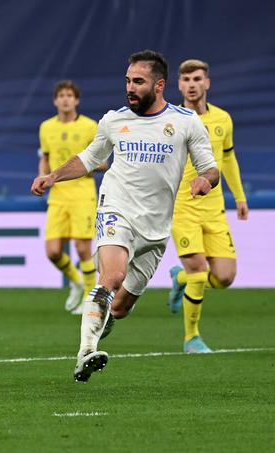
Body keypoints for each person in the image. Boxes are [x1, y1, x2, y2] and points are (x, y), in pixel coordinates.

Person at [31, 50, 219, 382]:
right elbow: (90, 158)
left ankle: (101, 319)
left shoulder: (186, 124)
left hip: (156, 229)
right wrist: (53, 176)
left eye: (138, 82)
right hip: (116, 209)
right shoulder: (114, 120)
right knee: (111, 277)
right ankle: (85, 353)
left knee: (120, 306)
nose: (130, 88)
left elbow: (210, 168)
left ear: (159, 85)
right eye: (128, 80)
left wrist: (205, 180)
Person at [167, 59, 249, 353]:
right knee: (199, 272)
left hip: (214, 208)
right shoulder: (170, 120)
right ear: (179, 85)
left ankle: (178, 277)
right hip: (182, 206)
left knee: (224, 277)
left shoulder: (223, 120)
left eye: (197, 78)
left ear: (207, 83)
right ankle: (192, 338)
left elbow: (227, 159)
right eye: (186, 79)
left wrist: (239, 197)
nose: (191, 84)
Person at [37, 80, 106, 314]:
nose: (65, 99)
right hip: (57, 195)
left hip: (82, 194)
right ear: (56, 100)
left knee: (82, 247)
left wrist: (84, 165)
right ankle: (76, 281)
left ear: (76, 100)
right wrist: (42, 177)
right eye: (61, 95)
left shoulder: (90, 126)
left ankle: (89, 299)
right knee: (53, 252)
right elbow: (45, 157)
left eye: (70, 95)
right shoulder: (46, 127)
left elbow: (103, 161)